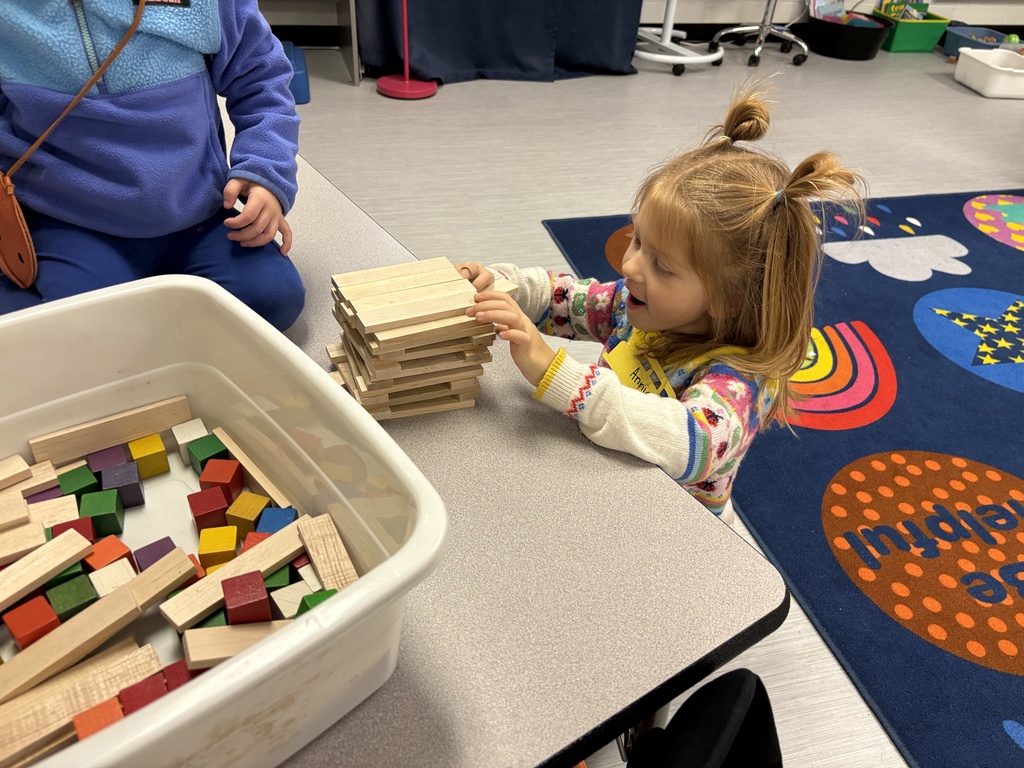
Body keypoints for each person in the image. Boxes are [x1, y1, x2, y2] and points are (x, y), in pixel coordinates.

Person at [458, 89, 866, 523]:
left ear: (729, 300)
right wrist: (507, 286)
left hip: (679, 532)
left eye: (662, 266)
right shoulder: (638, 306)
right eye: (637, 239)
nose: (630, 265)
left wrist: (557, 374)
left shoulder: (739, 380)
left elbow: (690, 442)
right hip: (605, 485)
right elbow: (568, 300)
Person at [0, 0, 305, 331]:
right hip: (67, 217)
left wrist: (265, 170)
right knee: (72, 332)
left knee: (274, 297)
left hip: (195, 211)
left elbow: (262, 77)